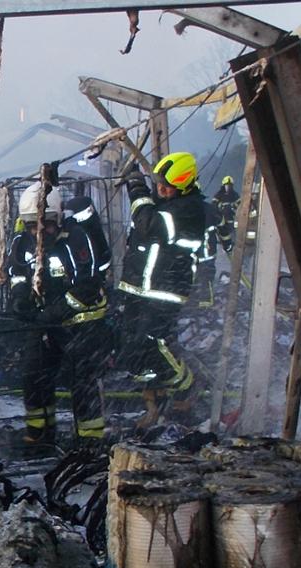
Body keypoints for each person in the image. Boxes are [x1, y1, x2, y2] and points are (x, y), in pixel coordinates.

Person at [8, 184, 109, 446]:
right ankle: (39, 432)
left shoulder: (76, 238)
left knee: (82, 380)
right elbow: (17, 273)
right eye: (32, 226)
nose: (38, 232)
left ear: (58, 218)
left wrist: (54, 312)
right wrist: (20, 299)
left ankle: (90, 440)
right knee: (34, 373)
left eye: (45, 225)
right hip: (44, 321)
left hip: (81, 322)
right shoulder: (22, 242)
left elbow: (87, 286)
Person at [115, 152, 208, 428]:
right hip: (138, 289)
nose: (160, 189)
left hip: (165, 290)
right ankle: (153, 405)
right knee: (134, 351)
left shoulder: (189, 210)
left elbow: (149, 224)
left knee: (156, 342)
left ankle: (188, 390)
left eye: (166, 186)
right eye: (157, 184)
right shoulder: (165, 203)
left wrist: (136, 187)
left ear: (183, 185)